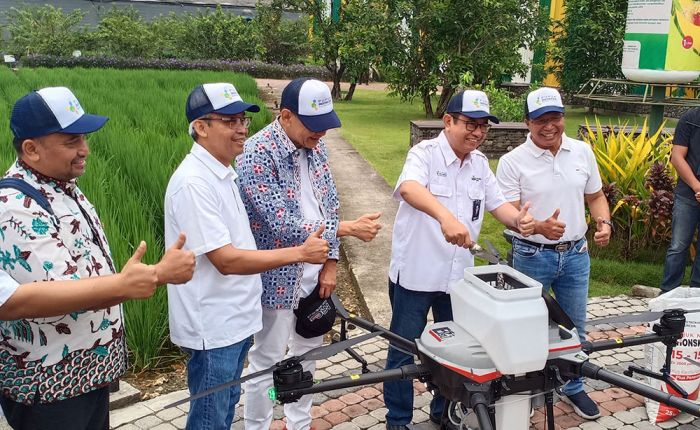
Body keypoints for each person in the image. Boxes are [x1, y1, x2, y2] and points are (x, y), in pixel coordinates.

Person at [0, 86, 195, 430]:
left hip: (86, 376)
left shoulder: (61, 185)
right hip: (52, 388)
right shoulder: (15, 205)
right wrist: (131, 282)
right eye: (71, 141)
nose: (85, 149)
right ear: (31, 149)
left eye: (84, 138)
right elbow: (23, 300)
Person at [164, 82, 330, 430]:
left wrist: (327, 253)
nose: (241, 129)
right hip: (214, 324)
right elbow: (226, 260)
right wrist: (300, 252)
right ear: (200, 127)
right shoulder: (194, 183)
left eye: (243, 120)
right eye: (229, 121)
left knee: (222, 412)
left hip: (236, 318)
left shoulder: (223, 173)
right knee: (211, 417)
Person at [383, 90, 535, 429]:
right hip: (417, 275)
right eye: (470, 124)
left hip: (458, 280)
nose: (477, 133)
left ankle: (444, 411)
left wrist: (523, 221)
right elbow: (408, 188)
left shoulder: (480, 164)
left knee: (458, 351)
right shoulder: (424, 154)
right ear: (448, 121)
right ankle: (398, 420)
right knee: (403, 351)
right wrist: (445, 217)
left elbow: (499, 206)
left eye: (483, 127)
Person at [237, 77, 381, 430]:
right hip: (277, 277)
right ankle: (258, 423)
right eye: (315, 126)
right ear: (286, 116)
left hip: (315, 276)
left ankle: (297, 422)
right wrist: (347, 229)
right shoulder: (256, 154)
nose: (322, 134)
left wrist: (331, 263)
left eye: (326, 125)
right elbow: (280, 224)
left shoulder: (317, 150)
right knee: (267, 360)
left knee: (308, 355)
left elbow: (329, 205)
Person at [496, 87, 612, 420]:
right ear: (527, 122)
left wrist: (603, 222)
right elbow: (507, 210)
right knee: (527, 327)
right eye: (541, 120)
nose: (550, 126)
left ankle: (573, 387)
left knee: (575, 327)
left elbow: (595, 196)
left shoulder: (582, 151)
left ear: (564, 117)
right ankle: (527, 392)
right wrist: (534, 226)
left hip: (576, 254)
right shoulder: (512, 161)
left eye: (555, 118)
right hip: (532, 256)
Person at [660, 107, 700, 293]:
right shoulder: (690, 118)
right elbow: (677, 157)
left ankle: (697, 295)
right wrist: (697, 186)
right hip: (687, 194)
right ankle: (667, 294)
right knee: (678, 246)